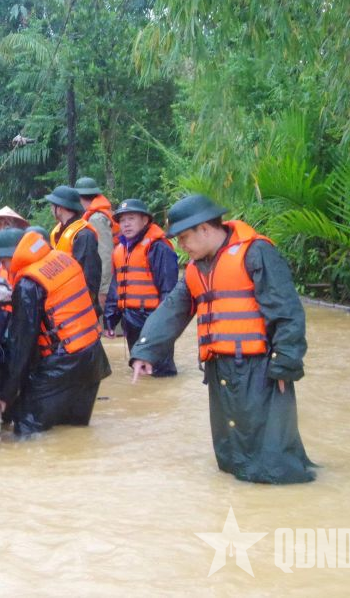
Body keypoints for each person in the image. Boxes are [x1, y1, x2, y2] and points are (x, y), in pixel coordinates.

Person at [130, 194, 316, 484]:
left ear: (205, 228)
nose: (181, 246)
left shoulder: (255, 253)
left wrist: (286, 363)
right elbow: (173, 310)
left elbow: (287, 311)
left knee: (272, 458)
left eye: (184, 237)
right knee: (232, 455)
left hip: (260, 369)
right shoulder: (194, 269)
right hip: (220, 370)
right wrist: (145, 350)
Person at [0, 229, 111, 435]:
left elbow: (23, 346)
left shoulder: (29, 283)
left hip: (63, 364)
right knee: (73, 431)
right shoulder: (63, 259)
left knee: (27, 426)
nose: (3, 268)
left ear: (15, 255)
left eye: (4, 261)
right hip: (92, 359)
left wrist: (6, 394)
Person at [103, 199, 179, 376]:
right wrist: (110, 319)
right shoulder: (120, 250)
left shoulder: (158, 248)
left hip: (152, 317)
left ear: (145, 221)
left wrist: (162, 324)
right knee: (138, 367)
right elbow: (116, 288)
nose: (126, 224)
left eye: (131, 218)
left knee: (160, 371)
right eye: (122, 220)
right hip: (130, 317)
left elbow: (169, 290)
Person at [45, 185, 101, 305]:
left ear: (59, 208)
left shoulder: (84, 235)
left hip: (77, 302)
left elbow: (90, 275)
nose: (51, 209)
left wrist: (87, 304)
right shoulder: (57, 231)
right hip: (59, 299)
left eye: (52, 205)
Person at [74, 177, 119, 311]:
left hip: (109, 282)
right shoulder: (98, 214)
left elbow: (105, 255)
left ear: (79, 198)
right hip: (115, 276)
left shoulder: (96, 219)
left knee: (110, 326)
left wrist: (104, 289)